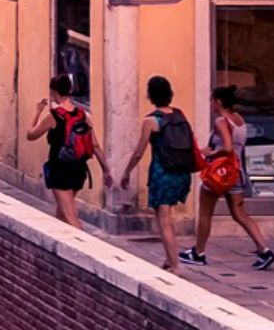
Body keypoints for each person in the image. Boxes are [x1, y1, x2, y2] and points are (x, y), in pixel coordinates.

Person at [116, 74, 200, 272]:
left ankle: (175, 265)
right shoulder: (180, 115)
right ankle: (169, 259)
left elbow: (139, 152)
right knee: (165, 217)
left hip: (162, 173)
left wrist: (127, 172)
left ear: (150, 95)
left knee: (164, 220)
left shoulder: (151, 121)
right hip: (181, 172)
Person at [188, 84, 274, 270]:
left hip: (219, 173)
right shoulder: (239, 120)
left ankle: (199, 252)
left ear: (219, 102)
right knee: (240, 214)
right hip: (235, 172)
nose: (211, 104)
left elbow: (227, 147)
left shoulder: (221, 121)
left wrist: (209, 154)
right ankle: (264, 249)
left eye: (212, 100)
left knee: (205, 212)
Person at [26, 73, 100, 227]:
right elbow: (96, 145)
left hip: (60, 169)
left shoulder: (53, 116)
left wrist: (37, 111)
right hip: (79, 169)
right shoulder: (83, 115)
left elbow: (31, 135)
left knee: (71, 217)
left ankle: (83, 246)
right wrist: (106, 170)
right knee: (61, 213)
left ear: (53, 92)